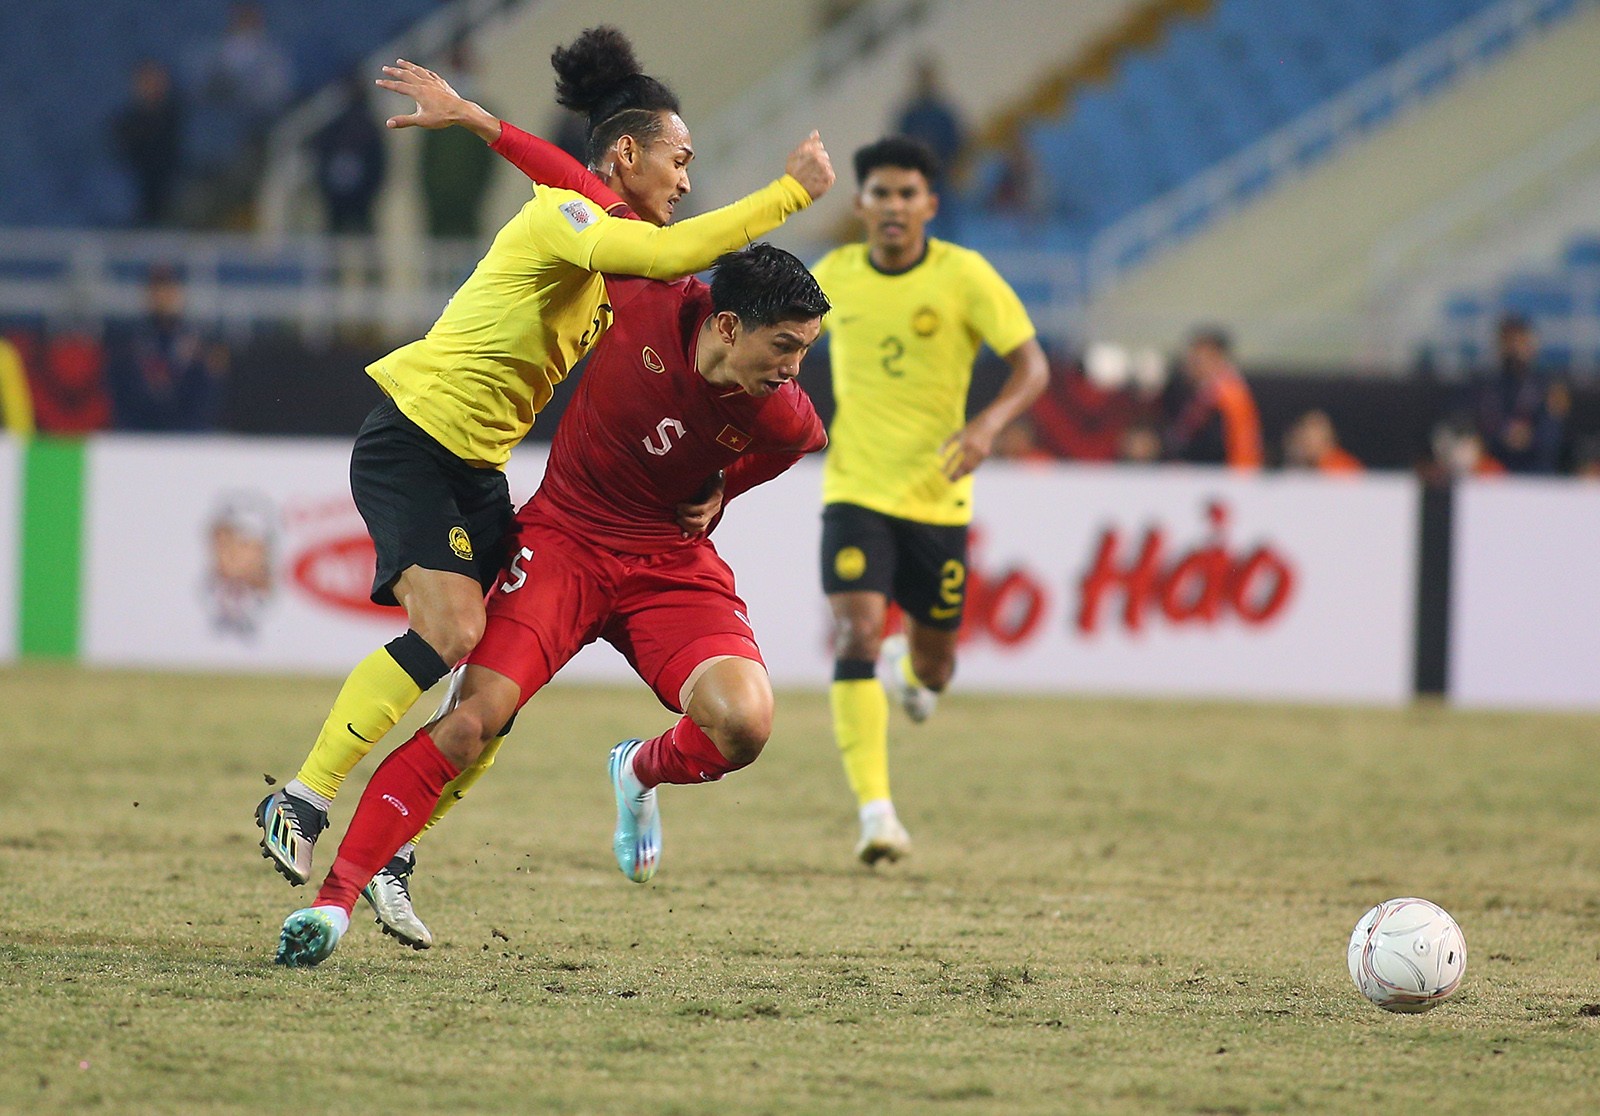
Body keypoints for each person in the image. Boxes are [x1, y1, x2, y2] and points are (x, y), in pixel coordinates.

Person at [254, 27, 833, 943]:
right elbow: (599, 202)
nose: (686, 182)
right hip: (436, 446)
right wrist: (792, 192)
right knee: (456, 647)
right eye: (679, 161)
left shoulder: (640, 263)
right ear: (628, 155)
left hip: (508, 480)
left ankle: (404, 852)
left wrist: (725, 485)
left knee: (499, 703)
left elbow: (800, 434)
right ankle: (306, 802)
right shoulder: (593, 236)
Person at [808, 136, 1047, 865]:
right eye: (880, 193)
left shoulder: (964, 276)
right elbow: (770, 346)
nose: (893, 206)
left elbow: (1031, 367)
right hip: (854, 488)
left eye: (908, 194)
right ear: (860, 204)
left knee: (936, 666)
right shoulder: (833, 276)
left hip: (938, 498)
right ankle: (876, 815)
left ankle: (912, 677)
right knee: (856, 633)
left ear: (929, 205)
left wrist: (988, 425)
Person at [105, 265, 229, 431]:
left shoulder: (202, 344)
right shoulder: (127, 343)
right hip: (139, 435)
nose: (162, 297)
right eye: (157, 291)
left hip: (188, 437)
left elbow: (205, 400)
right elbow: (122, 397)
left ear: (179, 293)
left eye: (168, 290)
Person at [1472, 314, 1567, 474]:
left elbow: (1554, 431)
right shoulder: (1485, 384)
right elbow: (1479, 425)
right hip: (1495, 471)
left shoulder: (1548, 385)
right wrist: (1504, 434)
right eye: (1509, 341)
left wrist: (1530, 437)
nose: (1515, 348)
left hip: (1537, 472)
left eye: (1520, 341)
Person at [419, 43, 497, 240]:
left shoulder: (483, 114)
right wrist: (432, 193)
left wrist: (476, 192)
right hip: (439, 200)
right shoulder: (434, 114)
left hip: (468, 200)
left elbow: (487, 160)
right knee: (438, 251)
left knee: (468, 252)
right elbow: (426, 159)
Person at [1161, 327, 1262, 470]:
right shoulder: (1202, 394)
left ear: (1217, 359)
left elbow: (1236, 445)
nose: (1191, 365)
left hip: (1224, 476)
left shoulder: (1229, 396)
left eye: (1198, 360)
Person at [311, 74, 388, 236]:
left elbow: (379, 163)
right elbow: (320, 157)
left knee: (365, 239)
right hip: (335, 198)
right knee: (333, 241)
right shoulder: (333, 125)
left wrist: (371, 191)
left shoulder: (369, 127)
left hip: (363, 198)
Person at [111, 60, 185, 228]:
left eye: (157, 80)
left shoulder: (179, 119)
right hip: (144, 201)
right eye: (147, 81)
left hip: (170, 199)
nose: (153, 86)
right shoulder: (124, 125)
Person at [893, 59, 965, 182]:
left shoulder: (943, 114)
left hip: (944, 178)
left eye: (928, 78)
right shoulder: (909, 117)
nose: (925, 83)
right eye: (922, 78)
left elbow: (959, 144)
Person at [1282, 409, 1361, 474]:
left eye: (1311, 439)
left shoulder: (1342, 466)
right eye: (1305, 439)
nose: (1306, 444)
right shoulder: (1304, 467)